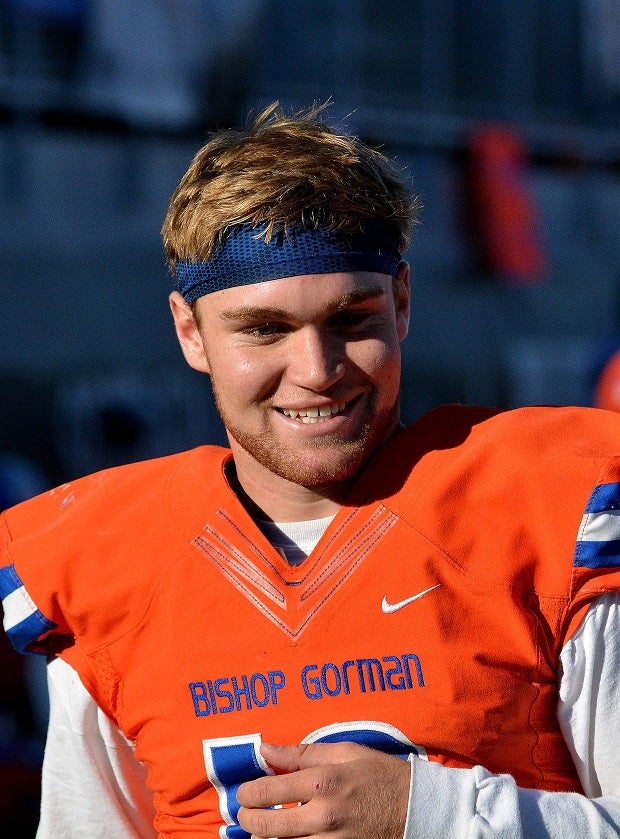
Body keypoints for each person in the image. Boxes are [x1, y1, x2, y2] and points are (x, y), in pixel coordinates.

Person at [1, 102, 619, 839]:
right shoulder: (104, 567)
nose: (317, 371)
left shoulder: (552, 511)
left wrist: (431, 813)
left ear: (403, 303)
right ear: (189, 332)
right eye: (265, 329)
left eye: (351, 320)